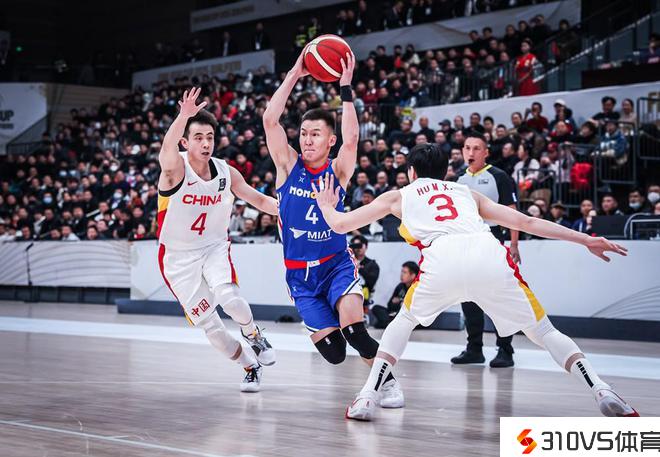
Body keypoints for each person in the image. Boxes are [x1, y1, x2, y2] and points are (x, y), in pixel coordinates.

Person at [312, 143, 638, 421]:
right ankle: (601, 388)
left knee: (404, 320)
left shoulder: (398, 196)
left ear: (411, 172)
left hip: (442, 257)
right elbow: (526, 221)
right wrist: (585, 239)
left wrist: (326, 206)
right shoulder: (466, 192)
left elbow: (341, 225)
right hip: (487, 253)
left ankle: (368, 397)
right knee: (544, 331)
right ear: (445, 172)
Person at [262, 50, 404, 408]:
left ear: (330, 141)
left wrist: (346, 89)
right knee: (336, 353)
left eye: (316, 134)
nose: (307, 140)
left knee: (356, 332)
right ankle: (322, 322)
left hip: (336, 264)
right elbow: (269, 120)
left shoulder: (338, 171)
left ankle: (388, 384)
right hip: (300, 277)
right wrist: (295, 73)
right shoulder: (287, 165)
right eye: (303, 134)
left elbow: (353, 139)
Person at [157, 88, 276, 392]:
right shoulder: (174, 169)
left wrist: (291, 211)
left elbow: (259, 200)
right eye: (198, 137)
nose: (206, 143)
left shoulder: (226, 171)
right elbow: (166, 148)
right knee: (211, 327)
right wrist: (183, 116)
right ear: (185, 142)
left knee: (229, 297)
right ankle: (249, 366)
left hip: (213, 247)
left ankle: (253, 334)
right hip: (177, 257)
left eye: (210, 137)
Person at [454, 132, 520, 368]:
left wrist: (514, 244)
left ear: (486, 153)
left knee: (498, 296)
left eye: (476, 148)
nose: (470, 152)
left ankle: (505, 349)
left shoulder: (498, 176)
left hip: (493, 238)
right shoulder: (458, 179)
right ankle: (474, 349)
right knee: (468, 295)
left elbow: (512, 212)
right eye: (467, 148)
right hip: (465, 241)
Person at [372, 261, 419, 329]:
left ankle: (387, 323)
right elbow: (389, 305)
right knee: (376, 308)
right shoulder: (400, 286)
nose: (401, 274)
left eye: (405, 272)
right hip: (394, 314)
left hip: (408, 316)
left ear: (413, 275)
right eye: (402, 272)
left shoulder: (417, 288)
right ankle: (389, 323)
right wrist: (400, 303)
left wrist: (399, 302)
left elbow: (414, 308)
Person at [349, 235, 380, 312]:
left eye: (360, 245)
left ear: (366, 247)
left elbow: (371, 282)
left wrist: (360, 268)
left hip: (363, 296)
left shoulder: (372, 264)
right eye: (356, 245)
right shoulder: (348, 263)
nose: (358, 248)